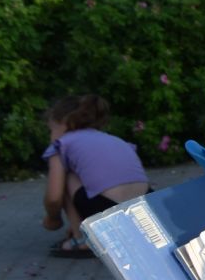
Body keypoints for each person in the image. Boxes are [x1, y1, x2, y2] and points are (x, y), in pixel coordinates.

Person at [41, 94, 149, 257]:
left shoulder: (62, 144)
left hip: (106, 207)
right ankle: (98, 230)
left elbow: (54, 198)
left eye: (51, 130)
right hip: (145, 208)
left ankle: (83, 240)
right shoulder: (113, 139)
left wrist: (53, 219)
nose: (50, 136)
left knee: (66, 176)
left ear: (62, 124)